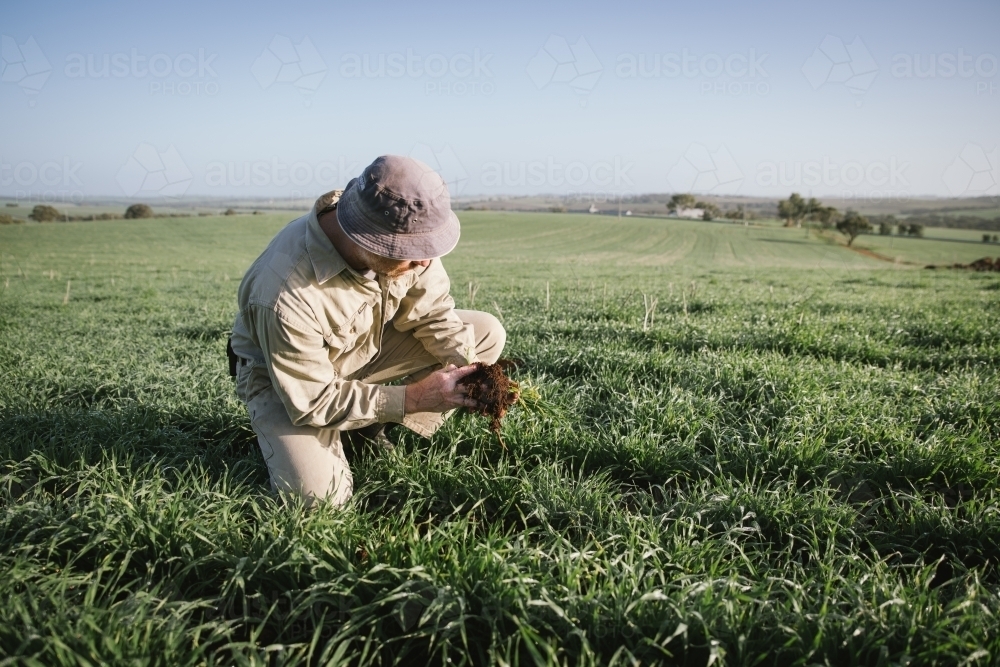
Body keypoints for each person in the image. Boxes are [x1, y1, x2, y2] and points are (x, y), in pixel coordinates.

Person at [228, 155, 506, 506]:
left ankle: (366, 427)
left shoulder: (407, 241)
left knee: (484, 333)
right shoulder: (284, 293)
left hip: (363, 349)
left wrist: (472, 369)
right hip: (290, 385)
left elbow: (433, 312)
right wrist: (414, 398)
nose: (424, 261)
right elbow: (313, 398)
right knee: (319, 500)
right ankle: (307, 433)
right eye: (410, 252)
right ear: (368, 239)